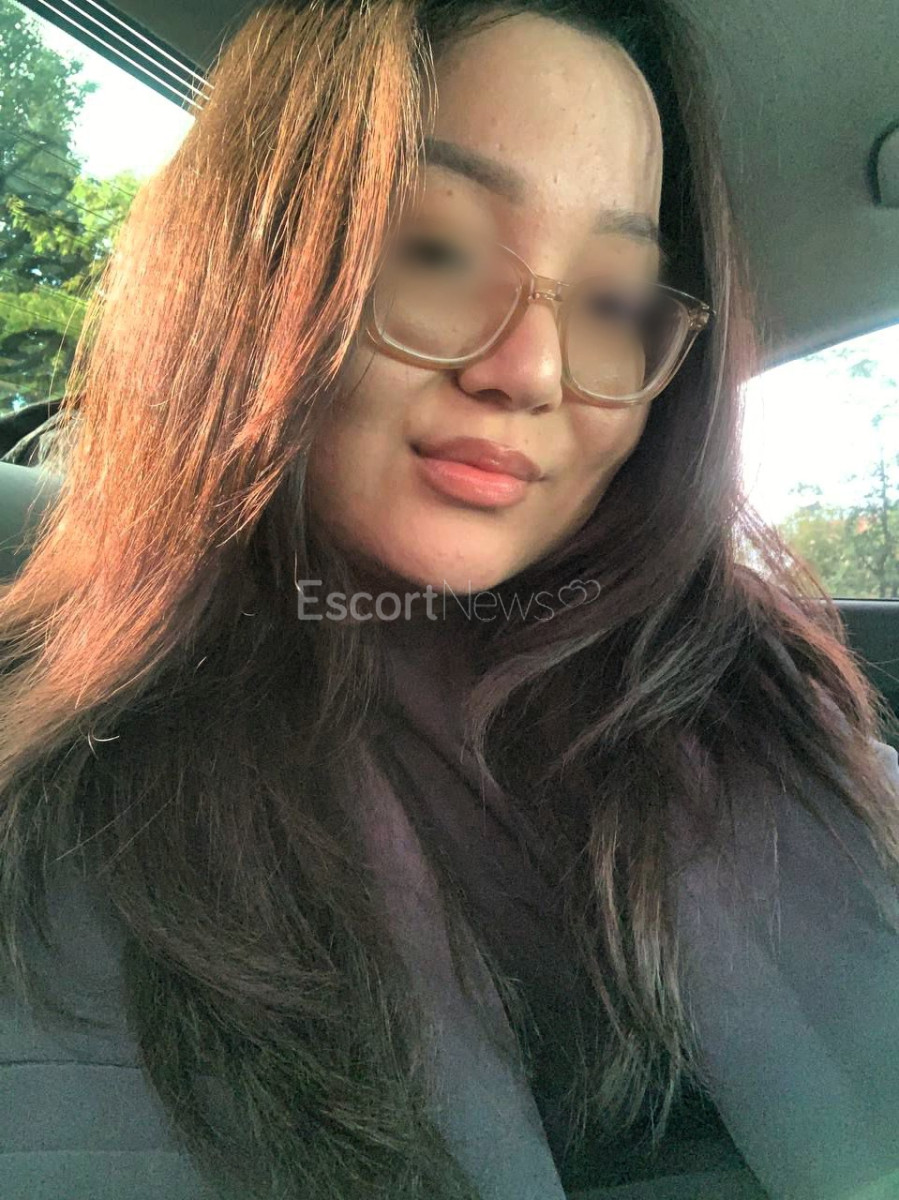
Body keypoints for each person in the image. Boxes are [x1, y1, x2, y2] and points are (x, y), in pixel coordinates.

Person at [0, 2, 897, 1198]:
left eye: (613, 302)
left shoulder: (771, 718)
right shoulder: (67, 808)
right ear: (245, 270)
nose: (529, 370)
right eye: (435, 250)